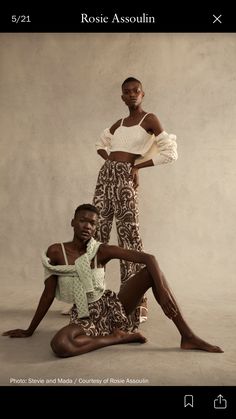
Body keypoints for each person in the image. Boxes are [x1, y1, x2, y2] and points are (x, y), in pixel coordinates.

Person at [2, 204, 223, 357]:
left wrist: (162, 290)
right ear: (72, 222)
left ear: (96, 227)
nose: (87, 226)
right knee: (60, 345)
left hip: (112, 308)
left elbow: (149, 258)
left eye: (93, 223)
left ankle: (188, 336)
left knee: (153, 274)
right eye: (83, 221)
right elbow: (48, 294)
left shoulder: (101, 250)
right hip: (85, 315)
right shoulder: (56, 252)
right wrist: (30, 329)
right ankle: (119, 337)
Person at [92, 77, 178, 325]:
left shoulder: (148, 119)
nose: (131, 95)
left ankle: (134, 305)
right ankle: (91, 298)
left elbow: (170, 152)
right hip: (106, 176)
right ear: (122, 97)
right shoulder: (119, 123)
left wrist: (137, 166)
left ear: (143, 94)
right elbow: (100, 144)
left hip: (124, 177)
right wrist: (110, 161)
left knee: (129, 237)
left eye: (135, 91)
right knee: (97, 234)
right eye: (126, 92)